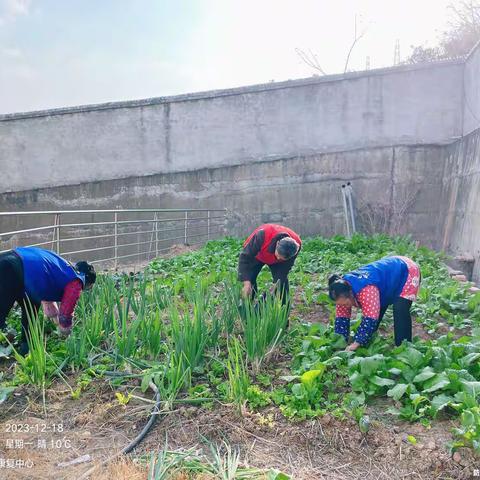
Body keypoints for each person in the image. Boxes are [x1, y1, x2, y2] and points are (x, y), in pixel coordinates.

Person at [0, 247, 96, 355]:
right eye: (88, 287)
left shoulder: (64, 267)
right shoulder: (76, 281)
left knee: (31, 308)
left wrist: (53, 315)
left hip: (11, 260)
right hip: (13, 268)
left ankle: (26, 347)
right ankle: (25, 346)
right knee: (2, 309)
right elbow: (67, 309)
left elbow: (46, 281)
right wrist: (65, 329)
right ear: (87, 280)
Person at [328, 255, 421, 351]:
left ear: (351, 293)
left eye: (346, 303)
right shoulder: (340, 290)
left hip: (406, 270)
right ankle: (366, 339)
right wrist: (340, 343)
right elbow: (341, 319)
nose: (345, 306)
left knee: (400, 309)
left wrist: (356, 343)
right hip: (386, 277)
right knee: (375, 310)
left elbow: (370, 318)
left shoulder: (367, 290)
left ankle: (404, 347)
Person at [238, 224, 301, 305]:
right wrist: (246, 283)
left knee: (281, 286)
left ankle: (281, 311)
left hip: (280, 264)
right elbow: (245, 257)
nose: (278, 259)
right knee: (249, 280)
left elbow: (283, 272)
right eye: (278, 255)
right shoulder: (262, 235)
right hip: (258, 254)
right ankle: (246, 308)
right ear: (277, 243)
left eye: (282, 258)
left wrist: (275, 286)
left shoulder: (296, 245)